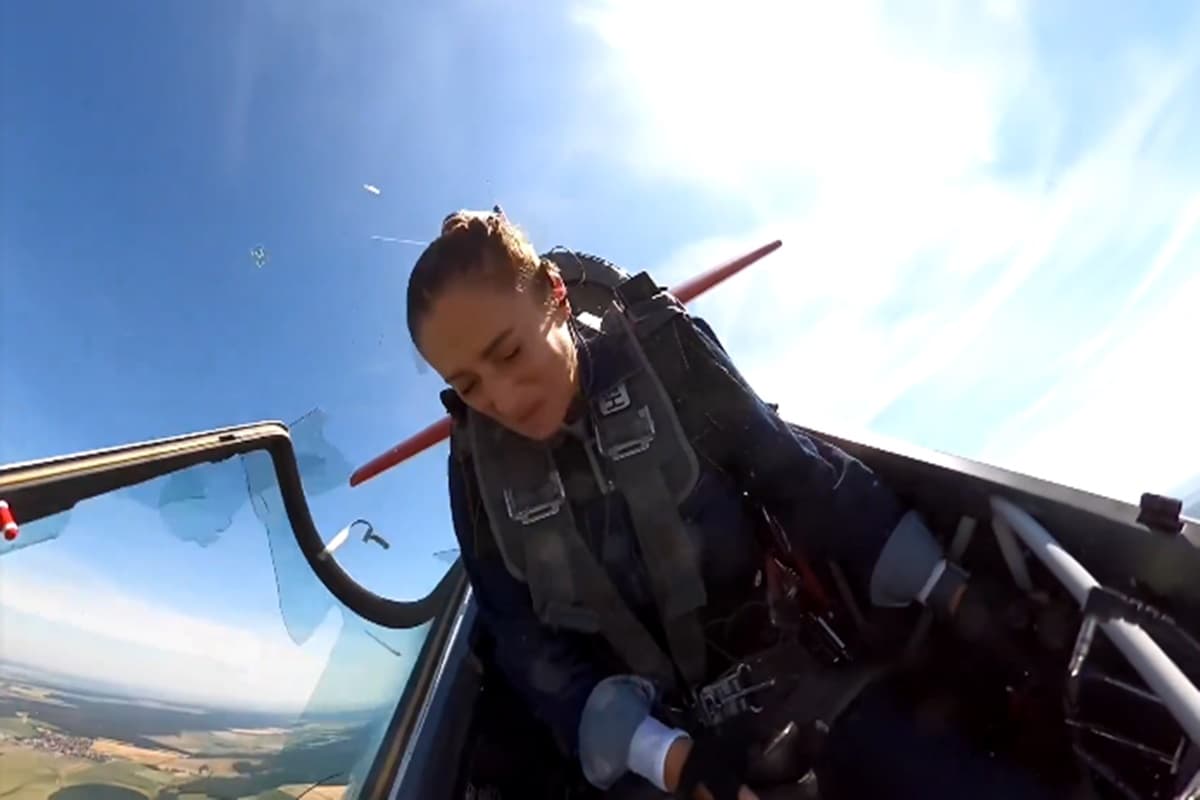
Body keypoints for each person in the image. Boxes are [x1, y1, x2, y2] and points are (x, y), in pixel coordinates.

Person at [406, 209, 1057, 800]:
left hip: (794, 694)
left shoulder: (665, 359)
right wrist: (673, 762)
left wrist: (955, 594)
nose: (503, 399)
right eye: (468, 386)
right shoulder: (476, 479)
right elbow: (527, 648)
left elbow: (800, 479)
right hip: (650, 759)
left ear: (554, 293)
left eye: (509, 352)